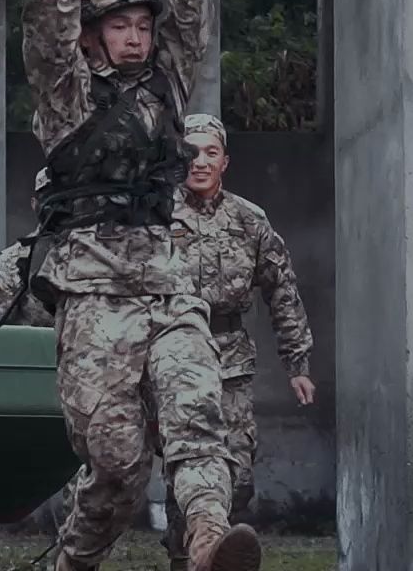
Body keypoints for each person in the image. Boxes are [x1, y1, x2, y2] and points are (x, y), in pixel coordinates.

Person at [23, 0, 258, 571]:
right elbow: (44, 9)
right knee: (118, 465)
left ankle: (209, 542)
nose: (137, 35)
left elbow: (193, 8)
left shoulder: (168, 87)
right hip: (93, 296)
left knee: (198, 420)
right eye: (120, 24)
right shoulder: (64, 96)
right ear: (93, 32)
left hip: (167, 285)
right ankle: (73, 562)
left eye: (142, 26)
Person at [161, 114, 314, 571]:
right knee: (185, 472)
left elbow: (282, 290)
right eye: (191, 151)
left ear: (225, 161)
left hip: (229, 360)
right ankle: (186, 559)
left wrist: (298, 364)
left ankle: (223, 557)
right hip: (169, 356)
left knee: (238, 474)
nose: (200, 162)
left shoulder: (249, 220)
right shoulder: (155, 215)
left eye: (211, 152)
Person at [0, 170, 55, 330]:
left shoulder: (99, 252)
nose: (54, 207)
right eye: (48, 198)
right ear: (34, 204)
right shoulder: (14, 260)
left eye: (61, 199)